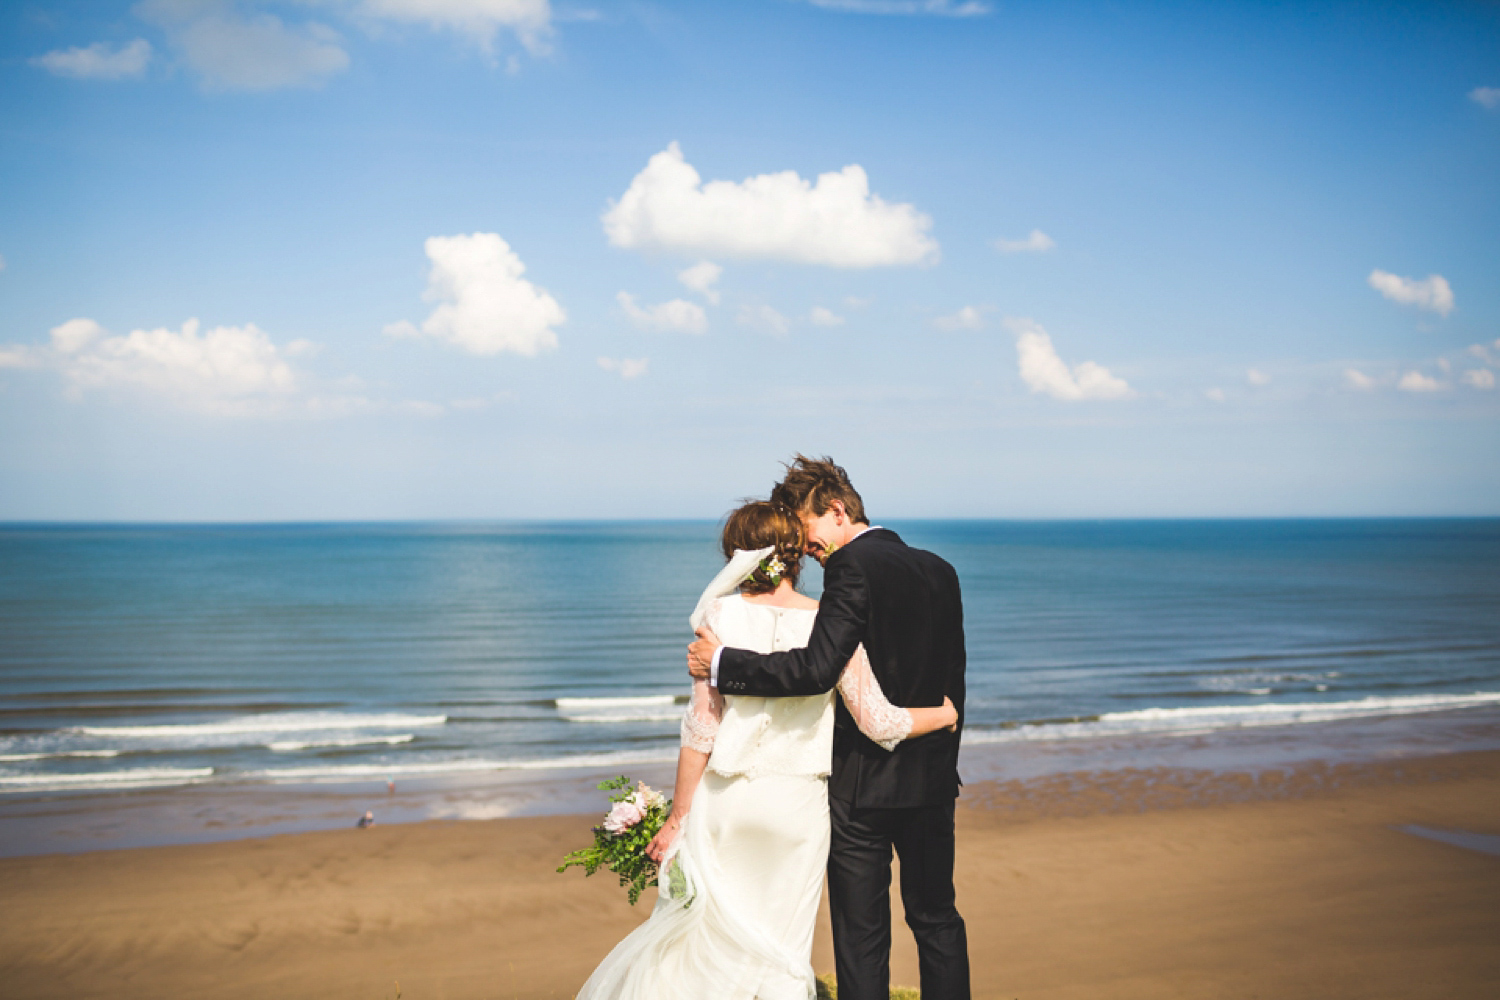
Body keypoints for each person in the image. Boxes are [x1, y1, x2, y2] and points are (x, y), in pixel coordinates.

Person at [576, 501, 957, 1000]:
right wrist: (944, 715)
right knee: (781, 947)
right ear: (797, 555)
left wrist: (678, 818)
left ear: (737, 555)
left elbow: (701, 729)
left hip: (726, 802)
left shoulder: (718, 618)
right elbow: (879, 722)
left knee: (703, 937)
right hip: (795, 810)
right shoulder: (828, 624)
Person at [689, 456, 971, 1000]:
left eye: (807, 529)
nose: (808, 548)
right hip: (933, 779)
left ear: (837, 511)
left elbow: (815, 669)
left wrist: (722, 663)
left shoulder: (850, 568)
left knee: (863, 935)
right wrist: (943, 743)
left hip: (862, 786)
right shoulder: (941, 569)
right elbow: (951, 680)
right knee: (937, 919)